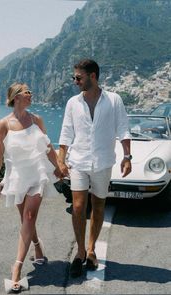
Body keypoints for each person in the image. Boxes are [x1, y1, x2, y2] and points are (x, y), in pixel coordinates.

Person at [58, 59, 132, 278]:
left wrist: (127, 157)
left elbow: (123, 128)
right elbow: (66, 132)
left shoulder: (114, 100)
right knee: (79, 206)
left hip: (103, 161)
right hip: (79, 161)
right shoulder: (73, 103)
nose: (75, 81)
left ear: (92, 76)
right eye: (74, 77)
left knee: (99, 205)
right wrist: (61, 159)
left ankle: (91, 250)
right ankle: (80, 253)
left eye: (78, 77)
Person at [0, 82, 62, 293]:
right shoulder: (4, 124)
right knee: (25, 219)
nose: (31, 94)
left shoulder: (36, 120)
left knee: (29, 217)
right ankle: (38, 248)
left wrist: (59, 166)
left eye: (31, 91)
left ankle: (17, 269)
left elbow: (48, 147)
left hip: (37, 175)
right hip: (16, 177)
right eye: (27, 92)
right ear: (16, 97)